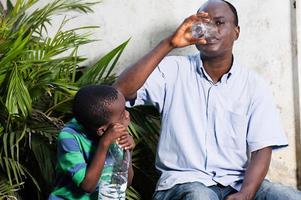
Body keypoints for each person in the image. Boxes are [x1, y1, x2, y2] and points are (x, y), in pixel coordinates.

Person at [113, 0, 301, 199]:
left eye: (219, 23)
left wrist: (246, 193)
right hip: (183, 183)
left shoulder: (254, 85)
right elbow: (120, 92)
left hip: (237, 182)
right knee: (200, 196)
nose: (210, 30)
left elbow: (262, 147)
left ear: (236, 32)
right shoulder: (173, 70)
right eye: (203, 24)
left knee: (289, 196)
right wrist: (170, 43)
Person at [49, 85, 135, 199]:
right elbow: (87, 186)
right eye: (122, 114)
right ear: (102, 130)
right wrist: (105, 143)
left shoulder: (112, 134)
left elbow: (125, 183)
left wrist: (127, 150)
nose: (127, 114)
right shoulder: (69, 137)